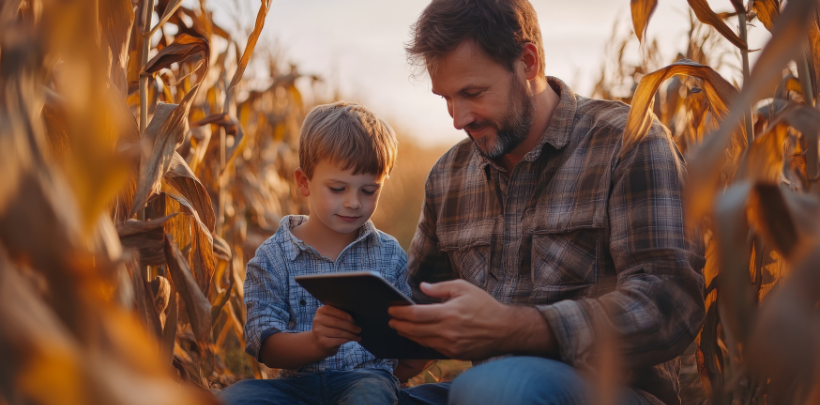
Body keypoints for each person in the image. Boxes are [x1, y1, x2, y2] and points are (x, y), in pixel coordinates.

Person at [388, 1, 706, 404]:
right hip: (482, 394)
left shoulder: (628, 143)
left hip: (612, 392)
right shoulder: (449, 175)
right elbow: (419, 300)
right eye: (446, 98)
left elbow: (669, 303)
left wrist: (517, 327)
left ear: (528, 61)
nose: (458, 118)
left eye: (472, 93)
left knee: (494, 387)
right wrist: (360, 333)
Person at [218, 102, 426, 405]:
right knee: (236, 397)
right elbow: (264, 344)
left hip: (364, 378)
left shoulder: (389, 254)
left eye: (369, 191)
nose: (354, 203)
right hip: (295, 385)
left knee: (371, 396)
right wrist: (315, 342)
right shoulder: (273, 257)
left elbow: (407, 335)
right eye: (338, 189)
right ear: (304, 182)